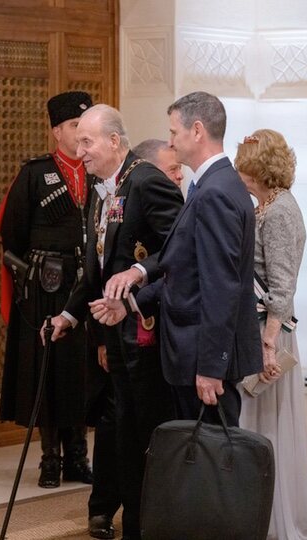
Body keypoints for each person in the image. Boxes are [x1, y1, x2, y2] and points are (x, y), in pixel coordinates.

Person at [49, 104, 183, 539]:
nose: (79, 150)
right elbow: (96, 266)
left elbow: (180, 250)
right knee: (122, 435)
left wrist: (140, 277)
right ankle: (130, 521)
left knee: (143, 436)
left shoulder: (147, 182)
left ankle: (145, 527)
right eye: (77, 142)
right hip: (115, 333)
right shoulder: (99, 186)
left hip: (149, 333)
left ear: (114, 141)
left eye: (87, 142)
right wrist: (69, 314)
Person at [92, 91, 260, 427]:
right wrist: (131, 305)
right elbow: (183, 269)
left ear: (196, 131)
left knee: (212, 465)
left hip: (203, 358)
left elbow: (220, 287)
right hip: (192, 354)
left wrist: (212, 367)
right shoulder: (211, 186)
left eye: (173, 132)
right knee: (198, 464)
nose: (170, 141)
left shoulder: (215, 192)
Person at [0, 90, 94, 488]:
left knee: (81, 372)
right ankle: (50, 458)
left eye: (87, 128)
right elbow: (12, 234)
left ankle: (78, 456)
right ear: (57, 131)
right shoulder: (35, 174)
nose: (82, 135)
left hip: (85, 286)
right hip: (46, 286)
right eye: (75, 127)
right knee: (48, 371)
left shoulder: (100, 172)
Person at [234, 129, 307, 540]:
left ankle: (275, 521)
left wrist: (268, 344)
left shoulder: (281, 210)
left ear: (258, 167)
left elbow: (282, 287)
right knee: (254, 425)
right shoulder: (264, 206)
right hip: (256, 329)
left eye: (243, 163)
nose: (237, 171)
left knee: (267, 427)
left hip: (269, 332)